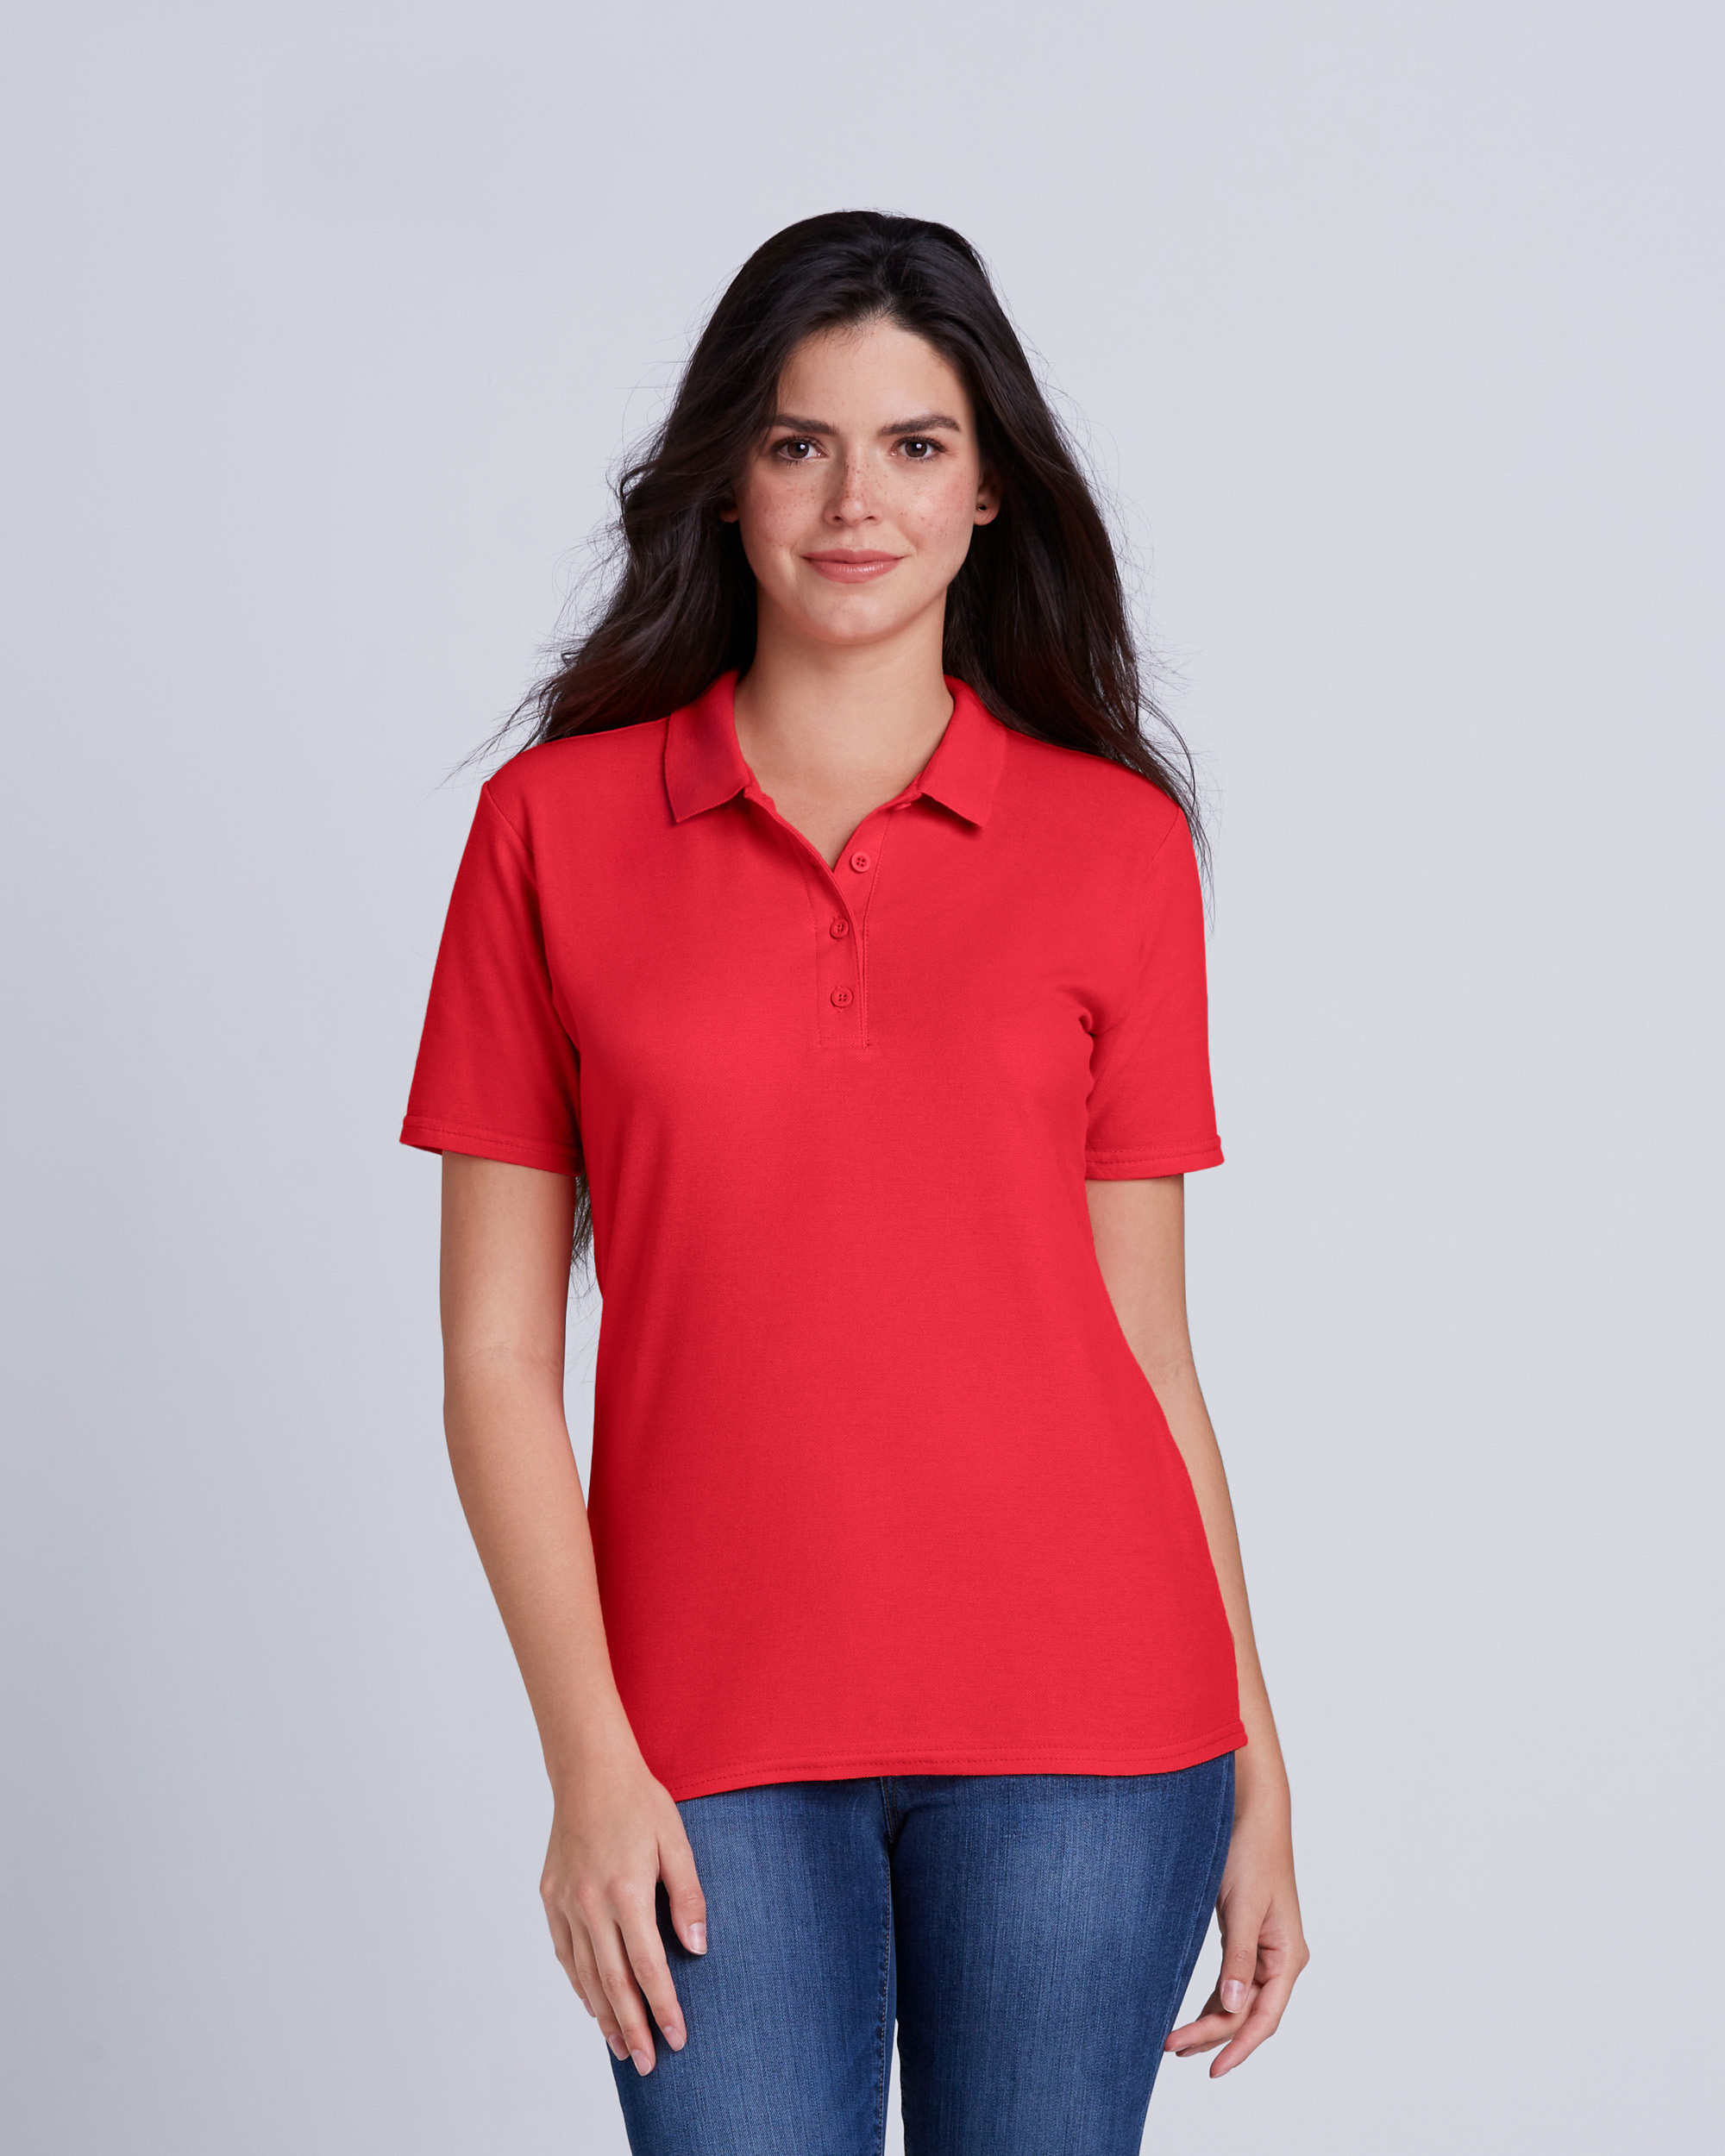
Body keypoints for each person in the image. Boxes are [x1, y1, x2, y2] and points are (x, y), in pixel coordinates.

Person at [401, 210, 1308, 2155]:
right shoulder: (550, 832)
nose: (852, 501)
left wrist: (1260, 1757)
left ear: (988, 491)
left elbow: (1148, 1347)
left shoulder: (1114, 846)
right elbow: (493, 1361)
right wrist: (587, 1759)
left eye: (913, 444)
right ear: (726, 479)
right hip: (699, 1737)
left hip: (1092, 1724)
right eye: (798, 442)